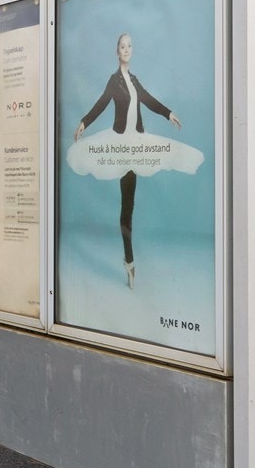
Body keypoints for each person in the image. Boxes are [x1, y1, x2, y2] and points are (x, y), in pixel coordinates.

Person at [68, 32, 202, 289]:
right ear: (116, 51)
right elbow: (101, 103)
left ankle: (129, 262)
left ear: (132, 50)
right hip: (119, 144)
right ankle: (129, 261)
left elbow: (148, 100)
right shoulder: (114, 80)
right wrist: (84, 122)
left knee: (129, 204)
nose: (126, 49)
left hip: (137, 144)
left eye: (129, 46)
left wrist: (168, 113)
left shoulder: (135, 80)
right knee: (124, 206)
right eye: (122, 46)